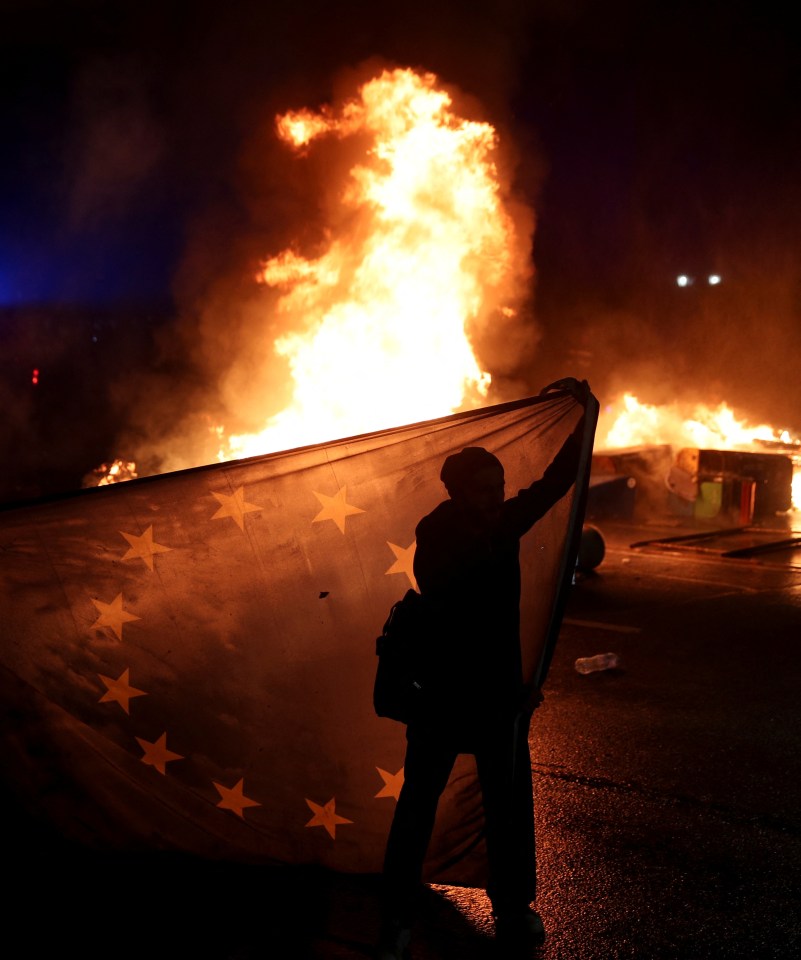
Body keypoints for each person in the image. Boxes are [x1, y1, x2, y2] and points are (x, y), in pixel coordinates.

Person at [375, 378, 590, 960]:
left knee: (508, 807)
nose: (496, 496)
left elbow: (553, 483)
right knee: (419, 802)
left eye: (497, 487)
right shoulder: (438, 534)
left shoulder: (499, 523)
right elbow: (446, 587)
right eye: (482, 489)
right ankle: (396, 913)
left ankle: (512, 910)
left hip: (497, 697)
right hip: (444, 697)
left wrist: (587, 415)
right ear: (456, 492)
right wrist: (494, 531)